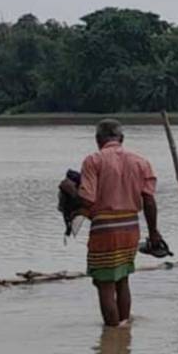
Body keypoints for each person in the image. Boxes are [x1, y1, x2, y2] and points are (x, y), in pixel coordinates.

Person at [59, 119, 161, 326]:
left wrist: (70, 189)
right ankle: (124, 329)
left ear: (98, 139)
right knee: (122, 280)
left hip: (105, 229)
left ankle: (113, 334)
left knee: (104, 284)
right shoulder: (140, 162)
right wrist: (154, 233)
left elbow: (87, 200)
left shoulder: (93, 160)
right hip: (131, 228)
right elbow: (149, 201)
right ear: (121, 138)